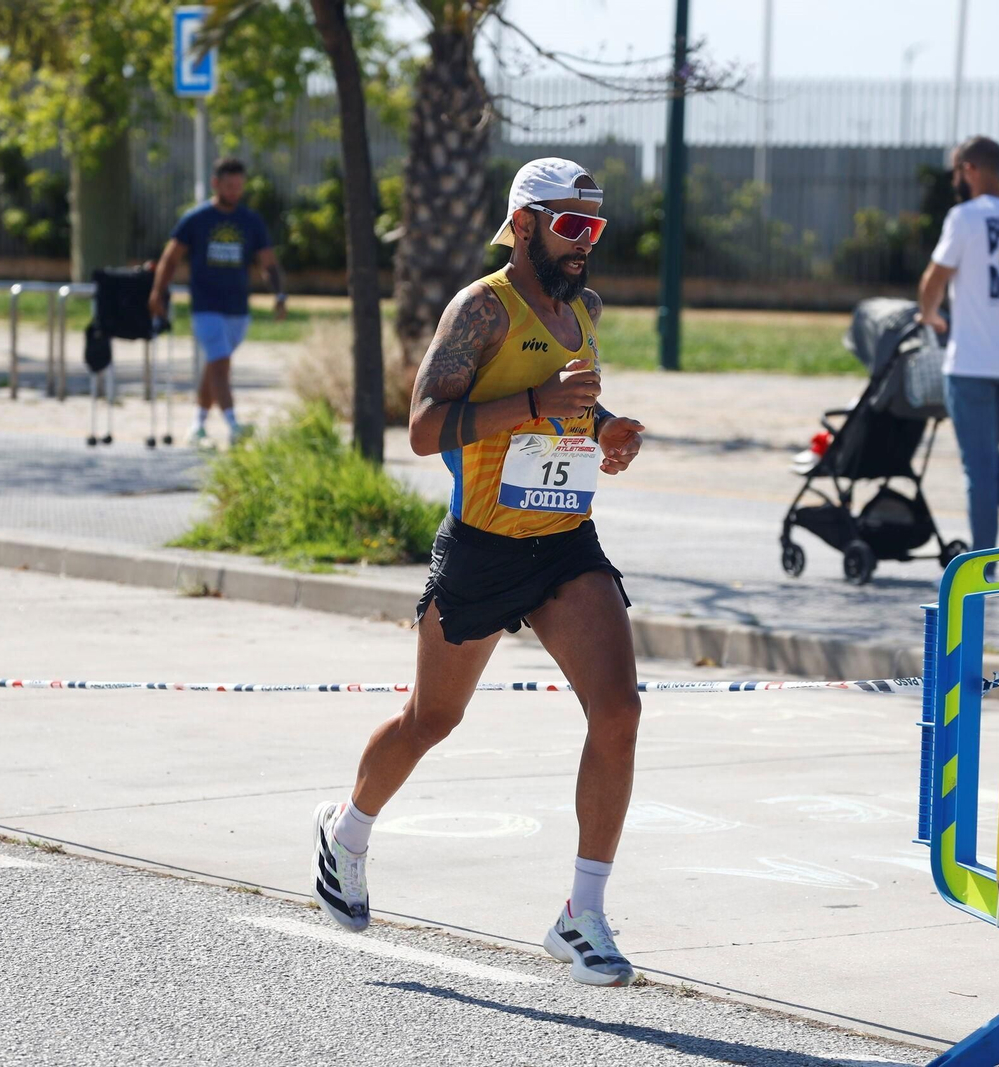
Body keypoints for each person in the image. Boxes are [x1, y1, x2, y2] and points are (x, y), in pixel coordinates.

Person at [309, 158, 649, 987]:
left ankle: (582, 914)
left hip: (566, 539)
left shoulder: (586, 309)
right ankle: (345, 834)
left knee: (619, 709)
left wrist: (606, 428)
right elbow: (425, 428)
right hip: (484, 542)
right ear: (524, 224)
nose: (585, 246)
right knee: (431, 719)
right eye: (571, 226)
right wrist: (537, 405)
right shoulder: (481, 308)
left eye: (595, 229)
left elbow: (570, 402)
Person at [917, 135, 999, 551]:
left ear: (971, 169)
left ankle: (984, 565)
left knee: (979, 466)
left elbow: (934, 279)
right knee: (987, 457)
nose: (956, 179)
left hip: (971, 361)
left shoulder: (964, 217)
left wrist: (929, 315)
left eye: (958, 170)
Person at [150, 158, 286, 448]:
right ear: (216, 184)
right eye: (229, 186)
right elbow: (170, 258)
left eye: (239, 186)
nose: (235, 191)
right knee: (221, 364)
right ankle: (235, 426)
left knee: (215, 367)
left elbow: (269, 264)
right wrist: (157, 292)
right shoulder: (196, 219)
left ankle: (197, 426)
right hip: (206, 306)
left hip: (238, 309)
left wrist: (279, 295)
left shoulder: (251, 221)